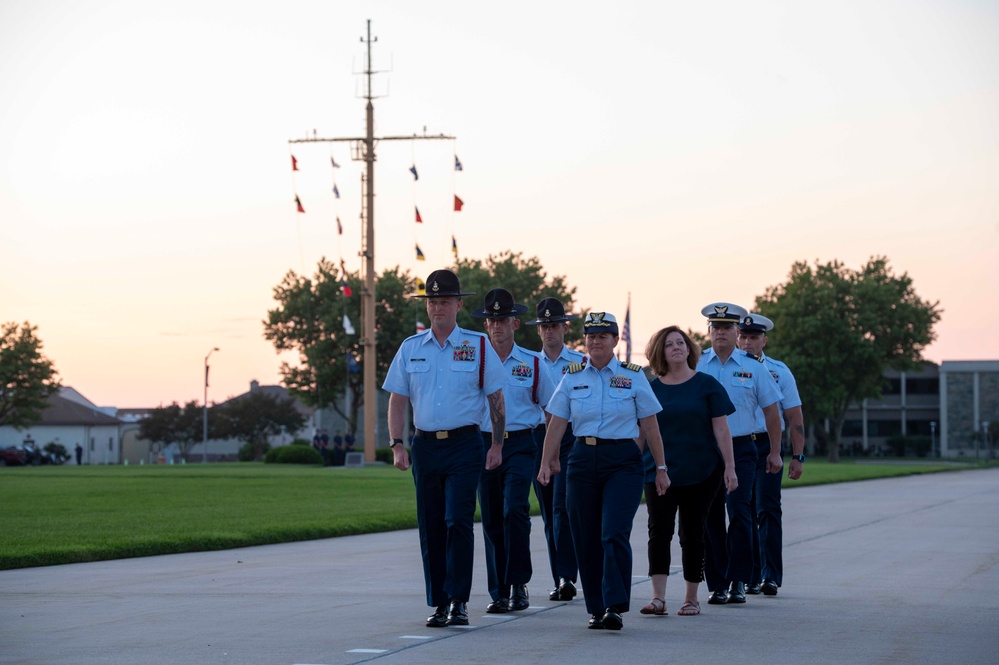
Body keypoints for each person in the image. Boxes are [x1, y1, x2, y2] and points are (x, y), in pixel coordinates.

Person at [382, 269, 507, 628]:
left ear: (457, 305)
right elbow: (398, 399)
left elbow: (496, 398)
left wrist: (497, 444)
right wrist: (397, 444)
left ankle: (458, 601)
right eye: (432, 301)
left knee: (458, 521)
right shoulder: (410, 348)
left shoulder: (478, 346)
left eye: (443, 301)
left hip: (466, 445)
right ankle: (438, 602)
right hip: (425, 446)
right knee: (431, 526)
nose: (437, 307)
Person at [538, 311, 670, 631]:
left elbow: (650, 424)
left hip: (622, 461)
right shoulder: (572, 376)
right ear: (584, 340)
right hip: (582, 459)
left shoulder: (633, 375)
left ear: (615, 340)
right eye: (591, 336)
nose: (596, 341)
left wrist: (662, 467)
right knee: (585, 538)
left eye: (603, 336)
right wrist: (546, 461)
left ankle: (614, 605)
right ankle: (596, 608)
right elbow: (557, 421)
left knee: (613, 532)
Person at [638, 325, 738, 618]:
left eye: (681, 342)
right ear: (661, 352)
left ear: (689, 348)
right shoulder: (649, 389)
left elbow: (722, 429)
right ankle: (658, 598)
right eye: (669, 345)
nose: (677, 347)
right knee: (659, 531)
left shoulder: (707, 385)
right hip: (659, 473)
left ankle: (691, 598)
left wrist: (730, 468)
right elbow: (641, 433)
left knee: (692, 533)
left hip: (702, 472)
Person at [472, 288, 555, 614]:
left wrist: (551, 455)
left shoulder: (532, 363)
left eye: (503, 320)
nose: (497, 326)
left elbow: (552, 409)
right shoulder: (475, 361)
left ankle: (519, 583)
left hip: (521, 444)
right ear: (486, 325)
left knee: (515, 510)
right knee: (492, 518)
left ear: (515, 323)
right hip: (482, 443)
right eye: (491, 321)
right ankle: (499, 591)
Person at [696, 302, 783, 606]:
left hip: (743, 448)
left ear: (737, 332)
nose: (721, 333)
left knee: (740, 511)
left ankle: (739, 581)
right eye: (716, 327)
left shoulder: (753, 366)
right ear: (709, 332)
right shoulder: (697, 365)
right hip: (706, 451)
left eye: (727, 328)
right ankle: (717, 582)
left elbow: (772, 413)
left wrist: (774, 452)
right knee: (709, 517)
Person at [737, 313, 805, 596]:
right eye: (744, 337)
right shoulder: (725, 368)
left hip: (766, 445)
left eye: (755, 338)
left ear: (764, 340)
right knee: (742, 510)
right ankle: (748, 575)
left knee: (767, 508)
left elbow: (794, 415)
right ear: (737, 338)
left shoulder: (778, 371)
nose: (749, 343)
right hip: (736, 445)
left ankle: (770, 575)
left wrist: (797, 456)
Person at [524, 297, 583, 602]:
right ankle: (559, 576)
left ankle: (566, 576)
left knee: (564, 508)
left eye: (554, 325)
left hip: (571, 438)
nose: (549, 331)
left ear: (564, 328)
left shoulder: (579, 363)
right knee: (548, 511)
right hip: (539, 438)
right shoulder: (530, 364)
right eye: (544, 326)